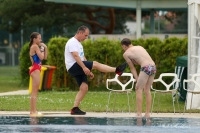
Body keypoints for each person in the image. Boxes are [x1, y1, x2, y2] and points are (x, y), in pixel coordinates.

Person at [64, 25, 125, 115]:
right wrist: (85, 67)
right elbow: (76, 56)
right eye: (85, 35)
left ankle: (75, 109)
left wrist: (89, 70)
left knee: (84, 88)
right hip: (73, 66)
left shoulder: (79, 44)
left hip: (79, 66)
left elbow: (82, 58)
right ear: (80, 33)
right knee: (96, 64)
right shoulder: (72, 42)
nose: (86, 37)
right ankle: (117, 70)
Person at [120, 38, 156, 118]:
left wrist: (137, 79)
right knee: (147, 90)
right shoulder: (140, 47)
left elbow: (132, 68)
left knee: (138, 89)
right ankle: (147, 113)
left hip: (146, 67)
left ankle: (139, 113)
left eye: (122, 47)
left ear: (124, 46)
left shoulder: (126, 54)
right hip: (153, 67)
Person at [29, 32, 48, 116]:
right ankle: (33, 111)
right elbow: (41, 57)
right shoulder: (35, 46)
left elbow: (45, 57)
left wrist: (45, 48)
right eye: (39, 38)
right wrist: (43, 48)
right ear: (34, 39)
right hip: (36, 69)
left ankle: (33, 111)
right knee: (34, 91)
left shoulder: (34, 47)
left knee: (35, 91)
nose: (41, 40)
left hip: (36, 68)